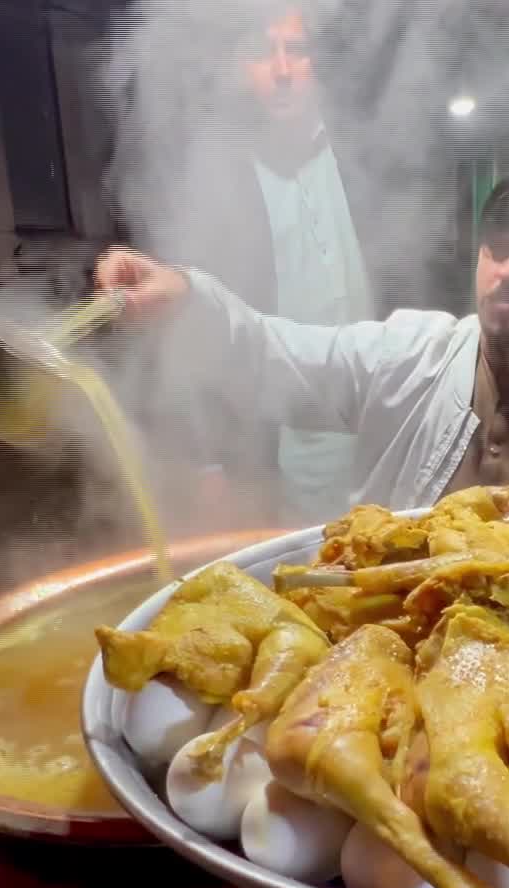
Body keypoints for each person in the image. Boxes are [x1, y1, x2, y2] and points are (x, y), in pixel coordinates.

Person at [98, 153, 509, 524]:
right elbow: (272, 357)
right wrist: (187, 299)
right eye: (498, 245)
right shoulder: (408, 359)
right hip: (402, 666)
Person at [110, 2, 446, 523]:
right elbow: (193, 335)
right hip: (271, 452)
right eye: (264, 53)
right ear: (240, 69)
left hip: (377, 434)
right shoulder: (220, 177)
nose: (283, 69)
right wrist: (210, 461)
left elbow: (419, 286)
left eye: (297, 50)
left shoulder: (372, 160)